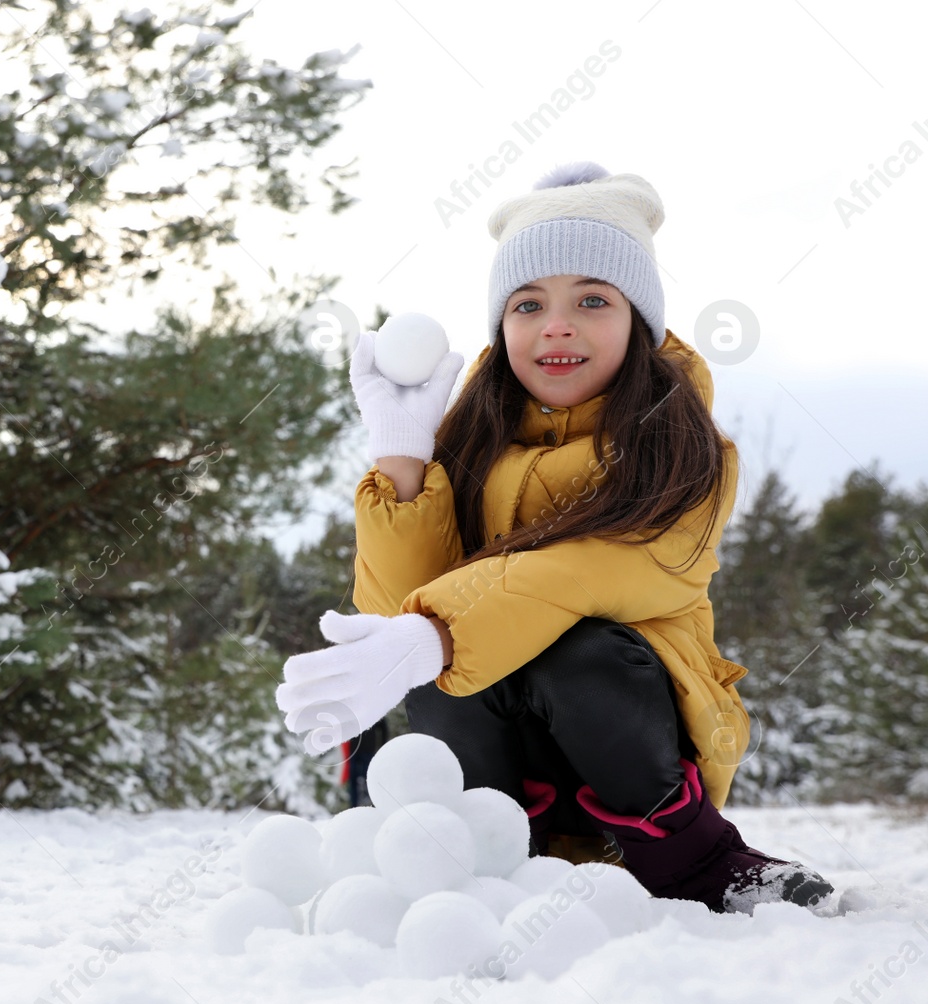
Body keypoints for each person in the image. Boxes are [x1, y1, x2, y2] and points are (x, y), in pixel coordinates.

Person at [277, 162, 834, 915]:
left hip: (634, 740)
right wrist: (404, 467)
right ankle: (493, 854)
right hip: (502, 768)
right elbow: (396, 608)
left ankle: (697, 862)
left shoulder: (684, 448)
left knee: (576, 648)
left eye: (593, 299)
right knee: (445, 661)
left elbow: (590, 568)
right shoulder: (469, 447)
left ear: (640, 320)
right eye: (528, 303)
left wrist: (433, 630)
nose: (556, 324)